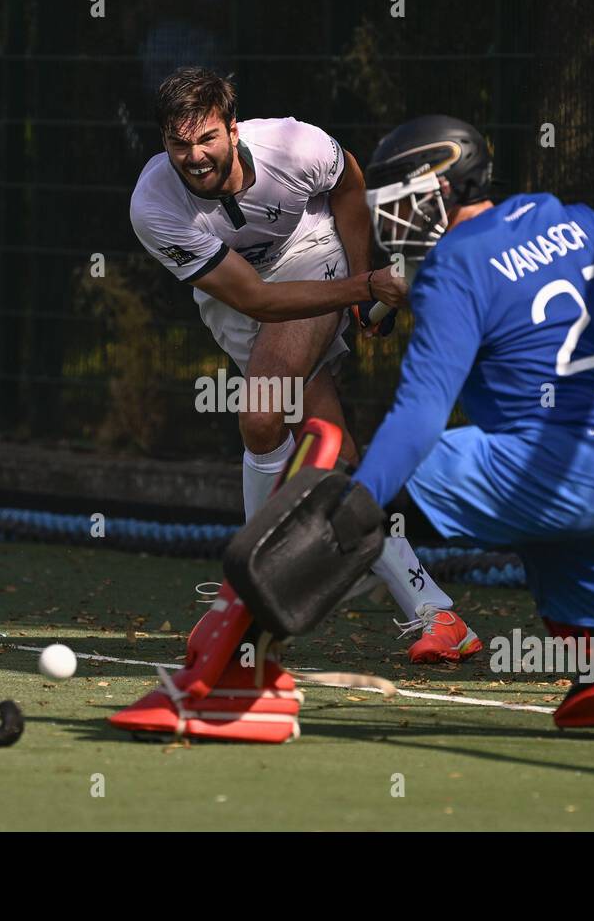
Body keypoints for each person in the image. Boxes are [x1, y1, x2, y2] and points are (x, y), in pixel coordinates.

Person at [352, 114, 594, 649]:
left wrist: (358, 498)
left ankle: (245, 648)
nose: (391, 221)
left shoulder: (454, 264)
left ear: (446, 186)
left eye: (400, 201)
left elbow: (420, 417)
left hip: (535, 475)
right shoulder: (581, 222)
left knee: (351, 509)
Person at [130, 68, 480, 663]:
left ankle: (245, 608)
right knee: (334, 457)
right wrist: (366, 286)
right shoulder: (154, 206)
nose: (194, 156)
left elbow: (348, 184)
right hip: (236, 293)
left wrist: (356, 275)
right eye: (178, 143)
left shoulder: (295, 145)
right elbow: (255, 300)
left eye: (207, 137)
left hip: (311, 252)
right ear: (163, 143)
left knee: (263, 415)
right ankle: (439, 616)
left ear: (232, 128)